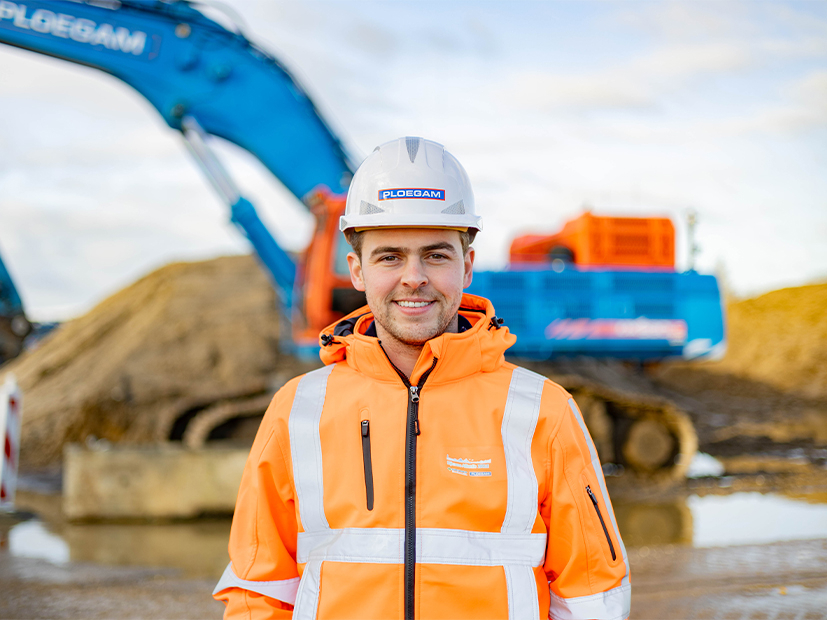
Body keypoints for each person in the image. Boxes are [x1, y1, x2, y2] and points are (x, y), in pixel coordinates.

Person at [213, 137, 630, 619]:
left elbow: (592, 593)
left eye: (436, 255)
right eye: (389, 256)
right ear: (357, 270)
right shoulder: (297, 410)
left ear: (467, 266)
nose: (414, 277)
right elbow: (258, 592)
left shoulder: (543, 410)